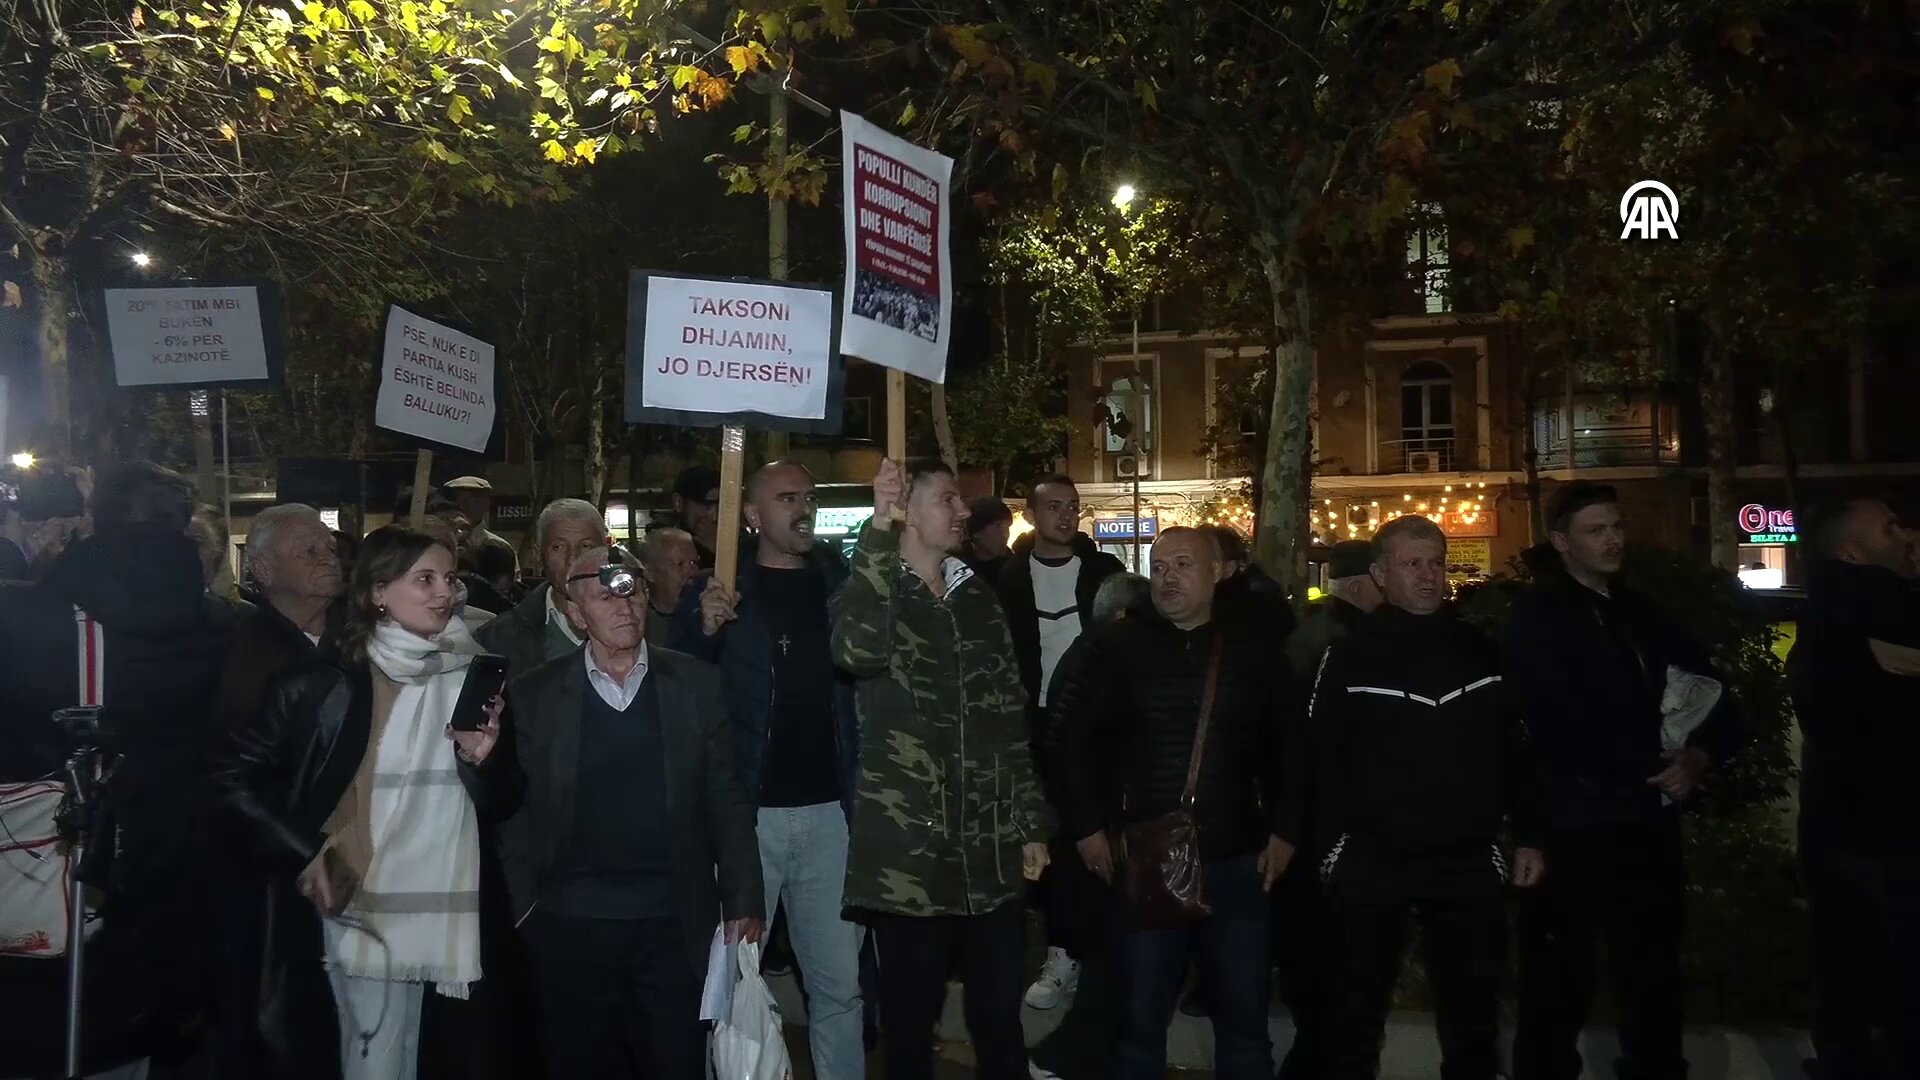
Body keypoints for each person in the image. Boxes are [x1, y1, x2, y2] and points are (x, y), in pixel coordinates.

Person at [211, 525, 519, 1080]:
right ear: (378, 593)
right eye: (423, 579)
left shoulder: (474, 677)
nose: (444, 592)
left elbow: (505, 800)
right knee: (373, 1059)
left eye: (448, 578)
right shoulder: (326, 682)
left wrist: (485, 758)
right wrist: (310, 856)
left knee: (428, 1057)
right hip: (358, 898)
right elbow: (233, 783)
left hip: (451, 909)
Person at [0, 462, 240, 1079]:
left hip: (52, 872)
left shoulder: (24, 619)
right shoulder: (226, 626)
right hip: (172, 875)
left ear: (93, 520)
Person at [501, 547, 763, 1080]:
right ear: (575, 613)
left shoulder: (694, 684)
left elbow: (725, 797)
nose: (625, 608)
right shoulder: (535, 695)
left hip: (672, 921)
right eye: (605, 597)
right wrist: (525, 906)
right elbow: (514, 808)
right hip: (571, 924)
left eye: (633, 593)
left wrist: (743, 898)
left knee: (673, 1061)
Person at [1504, 482, 1737, 1080]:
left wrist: (1699, 758)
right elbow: (1551, 723)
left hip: (1648, 822)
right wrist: (1652, 766)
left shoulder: (1641, 611)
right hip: (1574, 824)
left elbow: (1711, 691)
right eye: (1594, 530)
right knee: (1560, 980)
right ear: (1562, 542)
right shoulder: (1539, 618)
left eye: (1615, 527)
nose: (1611, 539)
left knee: (1654, 973)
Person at [832, 458, 1051, 1080]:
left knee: (998, 1022)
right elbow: (856, 652)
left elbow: (1011, 718)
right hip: (911, 859)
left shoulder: (978, 598)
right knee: (908, 1029)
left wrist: (1030, 821)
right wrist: (876, 529)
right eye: (948, 498)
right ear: (907, 510)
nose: (962, 512)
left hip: (990, 852)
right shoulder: (871, 589)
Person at [1054, 528, 1299, 1080]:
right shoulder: (1120, 649)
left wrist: (1286, 830)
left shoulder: (1254, 650)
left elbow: (1291, 749)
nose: (1168, 577)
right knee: (1140, 1019)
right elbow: (1076, 743)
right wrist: (1089, 827)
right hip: (1149, 858)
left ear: (1218, 573)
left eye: (1183, 564)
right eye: (1159, 566)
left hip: (1238, 859)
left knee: (1243, 1019)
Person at [1311, 515, 1545, 1080]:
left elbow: (1520, 752)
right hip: (1372, 860)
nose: (1427, 575)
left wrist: (1530, 837)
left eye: (1435, 562)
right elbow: (1315, 761)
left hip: (1464, 861)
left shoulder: (1480, 651)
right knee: (1353, 1018)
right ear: (1380, 573)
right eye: (1411, 563)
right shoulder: (1347, 655)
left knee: (1473, 1022)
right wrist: (1330, 849)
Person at [673, 461, 864, 1080]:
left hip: (832, 815)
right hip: (748, 821)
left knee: (841, 989)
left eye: (809, 495)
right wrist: (704, 633)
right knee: (730, 988)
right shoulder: (720, 592)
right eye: (786, 498)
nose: (802, 507)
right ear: (751, 517)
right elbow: (679, 692)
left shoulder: (843, 582)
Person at [203, 502, 347, 1074]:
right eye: (307, 550)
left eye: (329, 546)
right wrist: (308, 852)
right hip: (271, 885)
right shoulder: (242, 653)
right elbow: (228, 782)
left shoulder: (358, 640)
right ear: (261, 571)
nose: (326, 556)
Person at [1788, 497, 1920, 1080]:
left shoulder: (1828, 616)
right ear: (1852, 552)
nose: (1908, 534)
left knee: (1845, 976)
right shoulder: (1878, 609)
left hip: (1842, 831)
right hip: (1888, 835)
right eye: (1890, 526)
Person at [999, 473, 1123, 1010]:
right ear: (1033, 512)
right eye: (1055, 507)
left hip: (1093, 730)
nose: (1067, 516)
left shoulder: (1104, 574)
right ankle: (1058, 946)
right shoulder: (1006, 579)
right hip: (1027, 729)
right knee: (1039, 842)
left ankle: (1089, 949)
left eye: (1073, 507)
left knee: (1089, 836)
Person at [476, 498, 610, 674]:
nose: (572, 559)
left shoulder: (642, 624)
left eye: (586, 546)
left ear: (607, 550)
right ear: (539, 555)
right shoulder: (496, 638)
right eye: (558, 547)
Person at [1286, 539, 1382, 677]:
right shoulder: (1340, 640)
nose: (1386, 587)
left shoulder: (1316, 626)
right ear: (1355, 588)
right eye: (1379, 580)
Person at [441, 475, 518, 577]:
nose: (460, 505)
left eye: (474, 497)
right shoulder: (434, 544)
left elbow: (510, 585)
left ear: (487, 504)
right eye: (454, 499)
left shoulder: (499, 548)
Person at [641, 526, 703, 644]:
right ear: (650, 574)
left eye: (693, 563)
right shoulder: (638, 624)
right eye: (680, 564)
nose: (692, 572)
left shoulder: (707, 618)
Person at [672, 464, 722, 570]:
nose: (715, 516)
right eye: (706, 506)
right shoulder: (662, 547)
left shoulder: (742, 545)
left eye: (722, 507)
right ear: (678, 502)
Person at [964, 495, 1014, 577]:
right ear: (977, 531)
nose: (1006, 533)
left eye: (1007, 527)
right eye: (999, 526)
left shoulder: (1018, 570)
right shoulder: (955, 571)